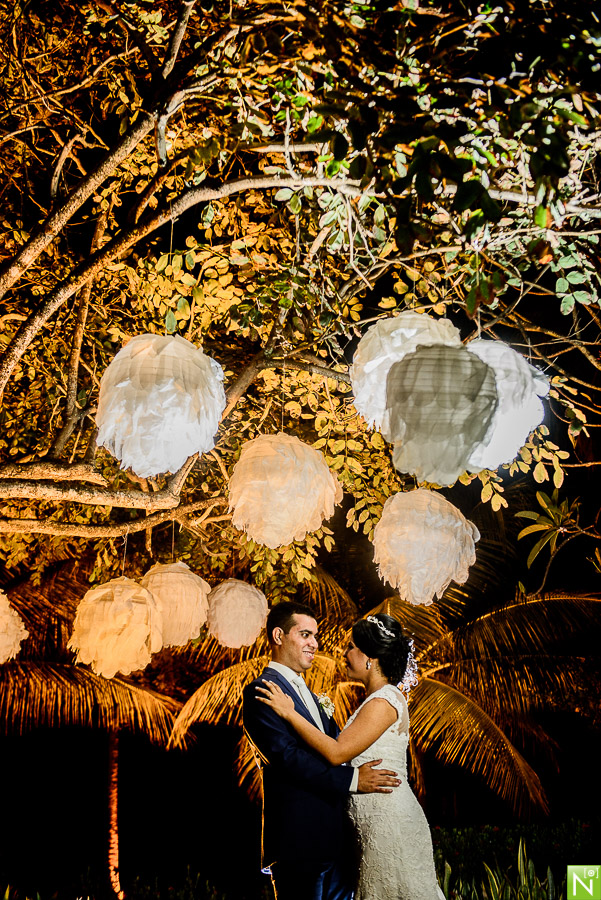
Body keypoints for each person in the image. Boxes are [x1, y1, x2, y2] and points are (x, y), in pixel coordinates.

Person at [257, 612, 446, 900]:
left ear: (369, 657)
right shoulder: (374, 700)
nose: (343, 654)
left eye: (351, 647)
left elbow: (336, 752)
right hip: (366, 827)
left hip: (388, 821)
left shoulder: (385, 700)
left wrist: (290, 713)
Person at [242, 601, 401, 900]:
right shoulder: (262, 691)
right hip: (299, 840)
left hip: (338, 841)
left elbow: (335, 746)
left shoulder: (312, 696)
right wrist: (354, 781)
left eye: (315, 636)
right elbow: (288, 757)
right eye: (305, 635)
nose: (314, 643)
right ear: (278, 636)